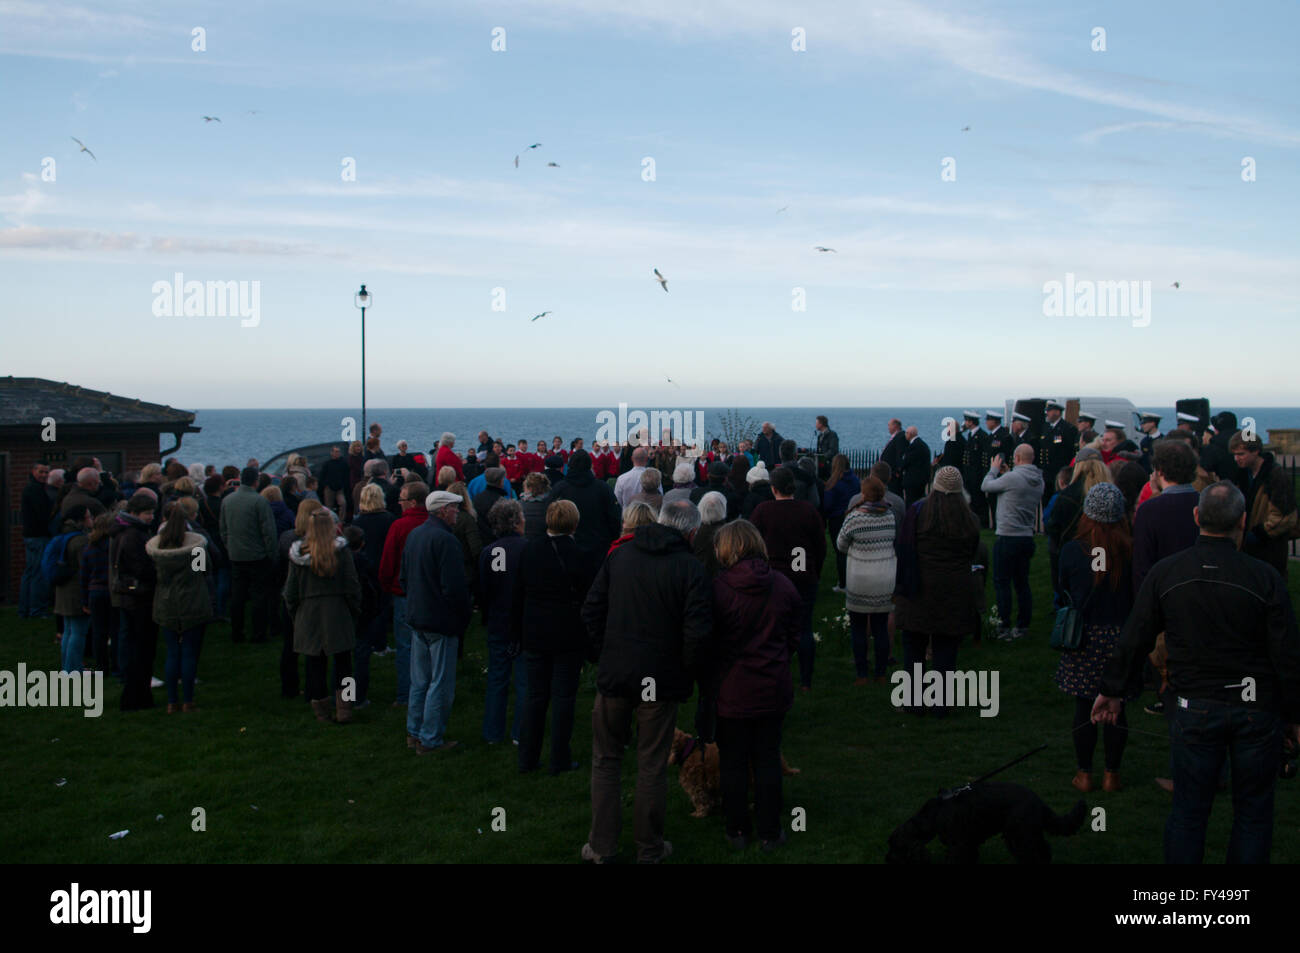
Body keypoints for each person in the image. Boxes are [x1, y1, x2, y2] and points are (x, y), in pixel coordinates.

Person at [1094, 482, 1300, 864]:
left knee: (1189, 812)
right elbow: (1287, 654)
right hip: (1254, 706)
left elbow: (1134, 637)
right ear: (1242, 521)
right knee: (1253, 813)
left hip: (1195, 704)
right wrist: (1292, 713)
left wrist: (1113, 688)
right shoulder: (1265, 577)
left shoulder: (1167, 572)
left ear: (1196, 518)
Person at [580, 500, 712, 863]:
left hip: (618, 672)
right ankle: (649, 848)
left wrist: (602, 656)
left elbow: (591, 610)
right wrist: (685, 672)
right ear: (691, 532)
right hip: (659, 676)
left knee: (606, 759)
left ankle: (603, 846)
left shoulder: (620, 558)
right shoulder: (690, 568)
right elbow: (697, 634)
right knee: (651, 763)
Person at [709, 519, 802, 850]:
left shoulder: (718, 590)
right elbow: (795, 634)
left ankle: (737, 830)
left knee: (733, 760)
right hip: (770, 684)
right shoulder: (783, 585)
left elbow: (711, 641)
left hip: (733, 688)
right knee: (766, 758)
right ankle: (769, 830)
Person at [1053, 483, 1134, 792]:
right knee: (1117, 706)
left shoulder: (1074, 549)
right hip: (1120, 636)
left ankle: (1085, 773)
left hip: (1084, 636)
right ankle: (1112, 773)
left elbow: (1063, 590)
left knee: (1084, 705)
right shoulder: (1130, 548)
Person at [891, 467, 980, 715]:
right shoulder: (970, 519)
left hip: (919, 587)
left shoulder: (918, 513)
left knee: (914, 646)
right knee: (946, 647)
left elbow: (903, 547)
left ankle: (913, 702)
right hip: (954, 589)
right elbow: (972, 551)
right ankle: (941, 704)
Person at [512, 499, 592, 774]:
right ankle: (559, 758)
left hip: (535, 629)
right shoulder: (581, 554)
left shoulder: (529, 550)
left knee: (535, 696)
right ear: (575, 523)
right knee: (563, 697)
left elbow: (518, 590)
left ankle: (527, 757)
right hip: (567, 631)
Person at [401, 491, 472, 753]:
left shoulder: (415, 535)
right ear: (443, 511)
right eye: (454, 508)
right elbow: (455, 588)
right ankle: (430, 739)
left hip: (417, 616)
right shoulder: (446, 541)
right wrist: (462, 616)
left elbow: (404, 578)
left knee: (419, 680)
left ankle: (414, 731)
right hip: (440, 620)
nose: (457, 512)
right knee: (439, 683)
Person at [750, 466, 825, 691]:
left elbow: (752, 544)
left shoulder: (763, 511)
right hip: (802, 575)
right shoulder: (808, 510)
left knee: (773, 628)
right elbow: (820, 547)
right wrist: (815, 571)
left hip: (774, 576)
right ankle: (805, 681)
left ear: (773, 489)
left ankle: (775, 675)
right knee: (803, 627)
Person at [285, 509, 361, 724]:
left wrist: (295, 614)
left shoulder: (298, 555)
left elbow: (290, 592)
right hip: (337, 610)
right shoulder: (342, 551)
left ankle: (321, 711)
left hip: (309, 612)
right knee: (344, 663)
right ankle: (345, 708)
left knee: (314, 664)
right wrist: (354, 610)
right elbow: (352, 584)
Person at [148, 499, 212, 713]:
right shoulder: (195, 547)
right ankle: (188, 700)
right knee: (189, 652)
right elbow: (203, 570)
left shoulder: (158, 548)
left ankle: (171, 701)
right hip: (192, 600)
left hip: (166, 602)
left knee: (173, 651)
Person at [478, 500, 530, 745]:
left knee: (497, 678)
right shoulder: (528, 549)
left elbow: (484, 590)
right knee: (523, 679)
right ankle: (519, 732)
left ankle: (492, 732)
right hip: (522, 621)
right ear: (515, 520)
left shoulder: (489, 551)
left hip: (499, 620)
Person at [837, 476, 896, 685]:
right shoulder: (889, 516)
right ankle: (880, 672)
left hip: (860, 576)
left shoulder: (854, 518)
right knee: (880, 627)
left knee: (859, 628)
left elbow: (841, 544)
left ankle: (862, 673)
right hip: (884, 575)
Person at [981, 443, 1043, 640]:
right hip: (1026, 536)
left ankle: (1004, 626)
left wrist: (993, 470)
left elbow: (986, 486)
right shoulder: (1038, 480)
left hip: (1008, 536)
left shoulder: (1012, 478)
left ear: (1016, 458)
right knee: (1022, 584)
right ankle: (1023, 626)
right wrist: (1007, 473)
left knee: (1002, 583)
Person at [378, 480, 430, 707]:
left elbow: (388, 562)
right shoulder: (433, 524)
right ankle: (429, 689)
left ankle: (405, 693)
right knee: (429, 644)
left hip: (403, 593)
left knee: (406, 646)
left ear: (412, 502)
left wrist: (387, 586)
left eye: (402, 499)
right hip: (428, 593)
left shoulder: (399, 526)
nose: (398, 502)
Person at [219, 466, 278, 644]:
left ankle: (237, 632)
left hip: (236, 554)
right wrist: (271, 554)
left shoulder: (227, 501)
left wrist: (230, 547)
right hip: (258, 555)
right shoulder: (259, 501)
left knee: (238, 596)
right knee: (259, 596)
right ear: (256, 481)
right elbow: (268, 531)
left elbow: (223, 529)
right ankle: (258, 633)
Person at [111, 493, 159, 711]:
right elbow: (142, 569)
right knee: (142, 649)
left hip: (130, 597)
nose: (151, 517)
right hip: (140, 597)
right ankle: (137, 697)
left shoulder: (123, 532)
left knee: (135, 647)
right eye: (148, 513)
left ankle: (136, 695)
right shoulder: (134, 535)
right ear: (135, 513)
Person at [1230, 430, 1297, 578]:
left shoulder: (1275, 476)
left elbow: (1285, 516)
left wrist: (1260, 533)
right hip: (1247, 543)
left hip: (1270, 546)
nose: (1236, 459)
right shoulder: (1242, 475)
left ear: (1256, 451)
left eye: (1241, 454)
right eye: (1234, 454)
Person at [548, 449, 622, 578]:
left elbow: (548, 518)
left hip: (565, 552)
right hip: (598, 549)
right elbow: (615, 518)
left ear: (570, 465)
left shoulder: (559, 489)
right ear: (590, 466)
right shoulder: (603, 488)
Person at [352, 484, 395, 656]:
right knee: (382, 606)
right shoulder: (389, 519)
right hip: (383, 565)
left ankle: (368, 641)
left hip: (365, 568)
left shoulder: (358, 522)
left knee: (367, 606)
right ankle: (380, 643)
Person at [52, 505, 93, 673]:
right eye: (89, 516)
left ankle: (68, 667)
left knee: (68, 631)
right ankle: (73, 669)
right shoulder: (81, 541)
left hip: (63, 590)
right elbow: (86, 569)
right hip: (77, 592)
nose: (92, 519)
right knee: (78, 632)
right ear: (80, 520)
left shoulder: (64, 536)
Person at [80, 512, 116, 674]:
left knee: (98, 632)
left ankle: (102, 666)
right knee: (115, 630)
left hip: (95, 592)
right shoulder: (114, 546)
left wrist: (84, 600)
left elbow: (84, 577)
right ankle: (117, 664)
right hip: (112, 591)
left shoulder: (89, 548)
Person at [821, 454, 860, 592]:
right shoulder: (856, 480)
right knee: (852, 549)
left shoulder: (834, 483)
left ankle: (843, 583)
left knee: (840, 551)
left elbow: (828, 504)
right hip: (853, 516)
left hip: (837, 519)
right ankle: (853, 579)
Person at [20, 462, 54, 619]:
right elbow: (43, 514)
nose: (44, 475)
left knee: (30, 572)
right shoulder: (36, 490)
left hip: (31, 536)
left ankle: (25, 609)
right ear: (33, 471)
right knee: (39, 573)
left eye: (47, 472)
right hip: (39, 536)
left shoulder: (31, 488)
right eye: (41, 472)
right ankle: (37, 610)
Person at [1038, 400, 1080, 506]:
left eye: (1049, 411)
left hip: (1058, 472)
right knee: (1046, 501)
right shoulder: (1046, 427)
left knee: (1057, 501)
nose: (1047, 413)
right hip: (1046, 473)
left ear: (1057, 412)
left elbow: (1069, 451)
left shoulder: (1067, 429)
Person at [691, 491, 728, 578]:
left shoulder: (694, 531)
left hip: (698, 576)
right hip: (721, 579)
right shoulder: (728, 533)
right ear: (723, 508)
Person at [899, 426, 932, 506]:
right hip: (922, 479)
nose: (905, 435)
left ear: (910, 434)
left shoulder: (914, 446)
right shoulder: (922, 444)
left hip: (913, 480)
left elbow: (907, 461)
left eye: (906, 433)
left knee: (911, 502)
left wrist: (899, 469)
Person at [319, 445, 352, 520]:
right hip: (329, 488)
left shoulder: (343, 463)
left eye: (338, 452)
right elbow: (322, 476)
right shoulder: (327, 464)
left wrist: (344, 485)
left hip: (339, 488)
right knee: (328, 506)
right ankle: (329, 520)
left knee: (343, 503)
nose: (338, 453)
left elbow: (346, 476)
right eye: (336, 451)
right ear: (332, 453)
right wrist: (325, 485)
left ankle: (341, 521)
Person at [519, 472, 552, 538]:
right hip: (545, 542)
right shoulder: (551, 505)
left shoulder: (519, 505)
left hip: (524, 542)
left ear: (529, 488)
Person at [880, 419, 907, 497]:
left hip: (893, 474)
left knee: (895, 493)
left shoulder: (901, 436)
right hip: (889, 472)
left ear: (895, 426)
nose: (888, 427)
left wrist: (897, 471)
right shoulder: (896, 436)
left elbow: (899, 454)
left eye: (889, 425)